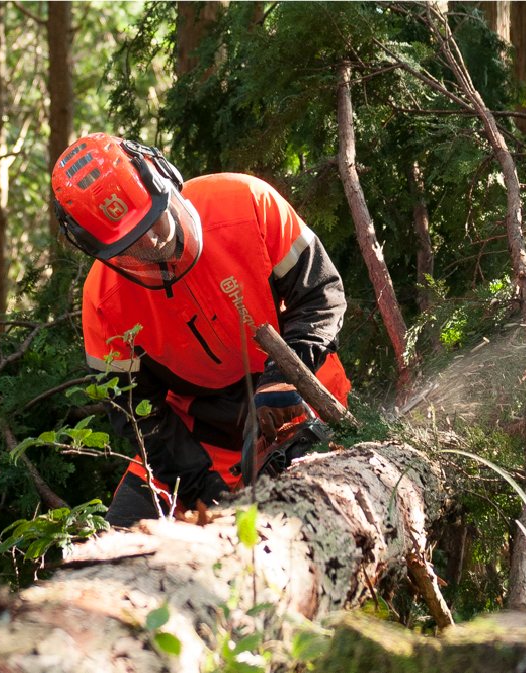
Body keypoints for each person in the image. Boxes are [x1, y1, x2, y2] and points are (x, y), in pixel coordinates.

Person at [51, 133, 351, 527]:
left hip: (299, 393)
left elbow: (321, 294)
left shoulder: (245, 203)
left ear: (163, 177)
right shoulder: (104, 300)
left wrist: (285, 378)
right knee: (122, 538)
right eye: (135, 244)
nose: (157, 242)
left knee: (313, 519)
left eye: (154, 218)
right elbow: (137, 412)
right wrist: (200, 486)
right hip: (199, 430)